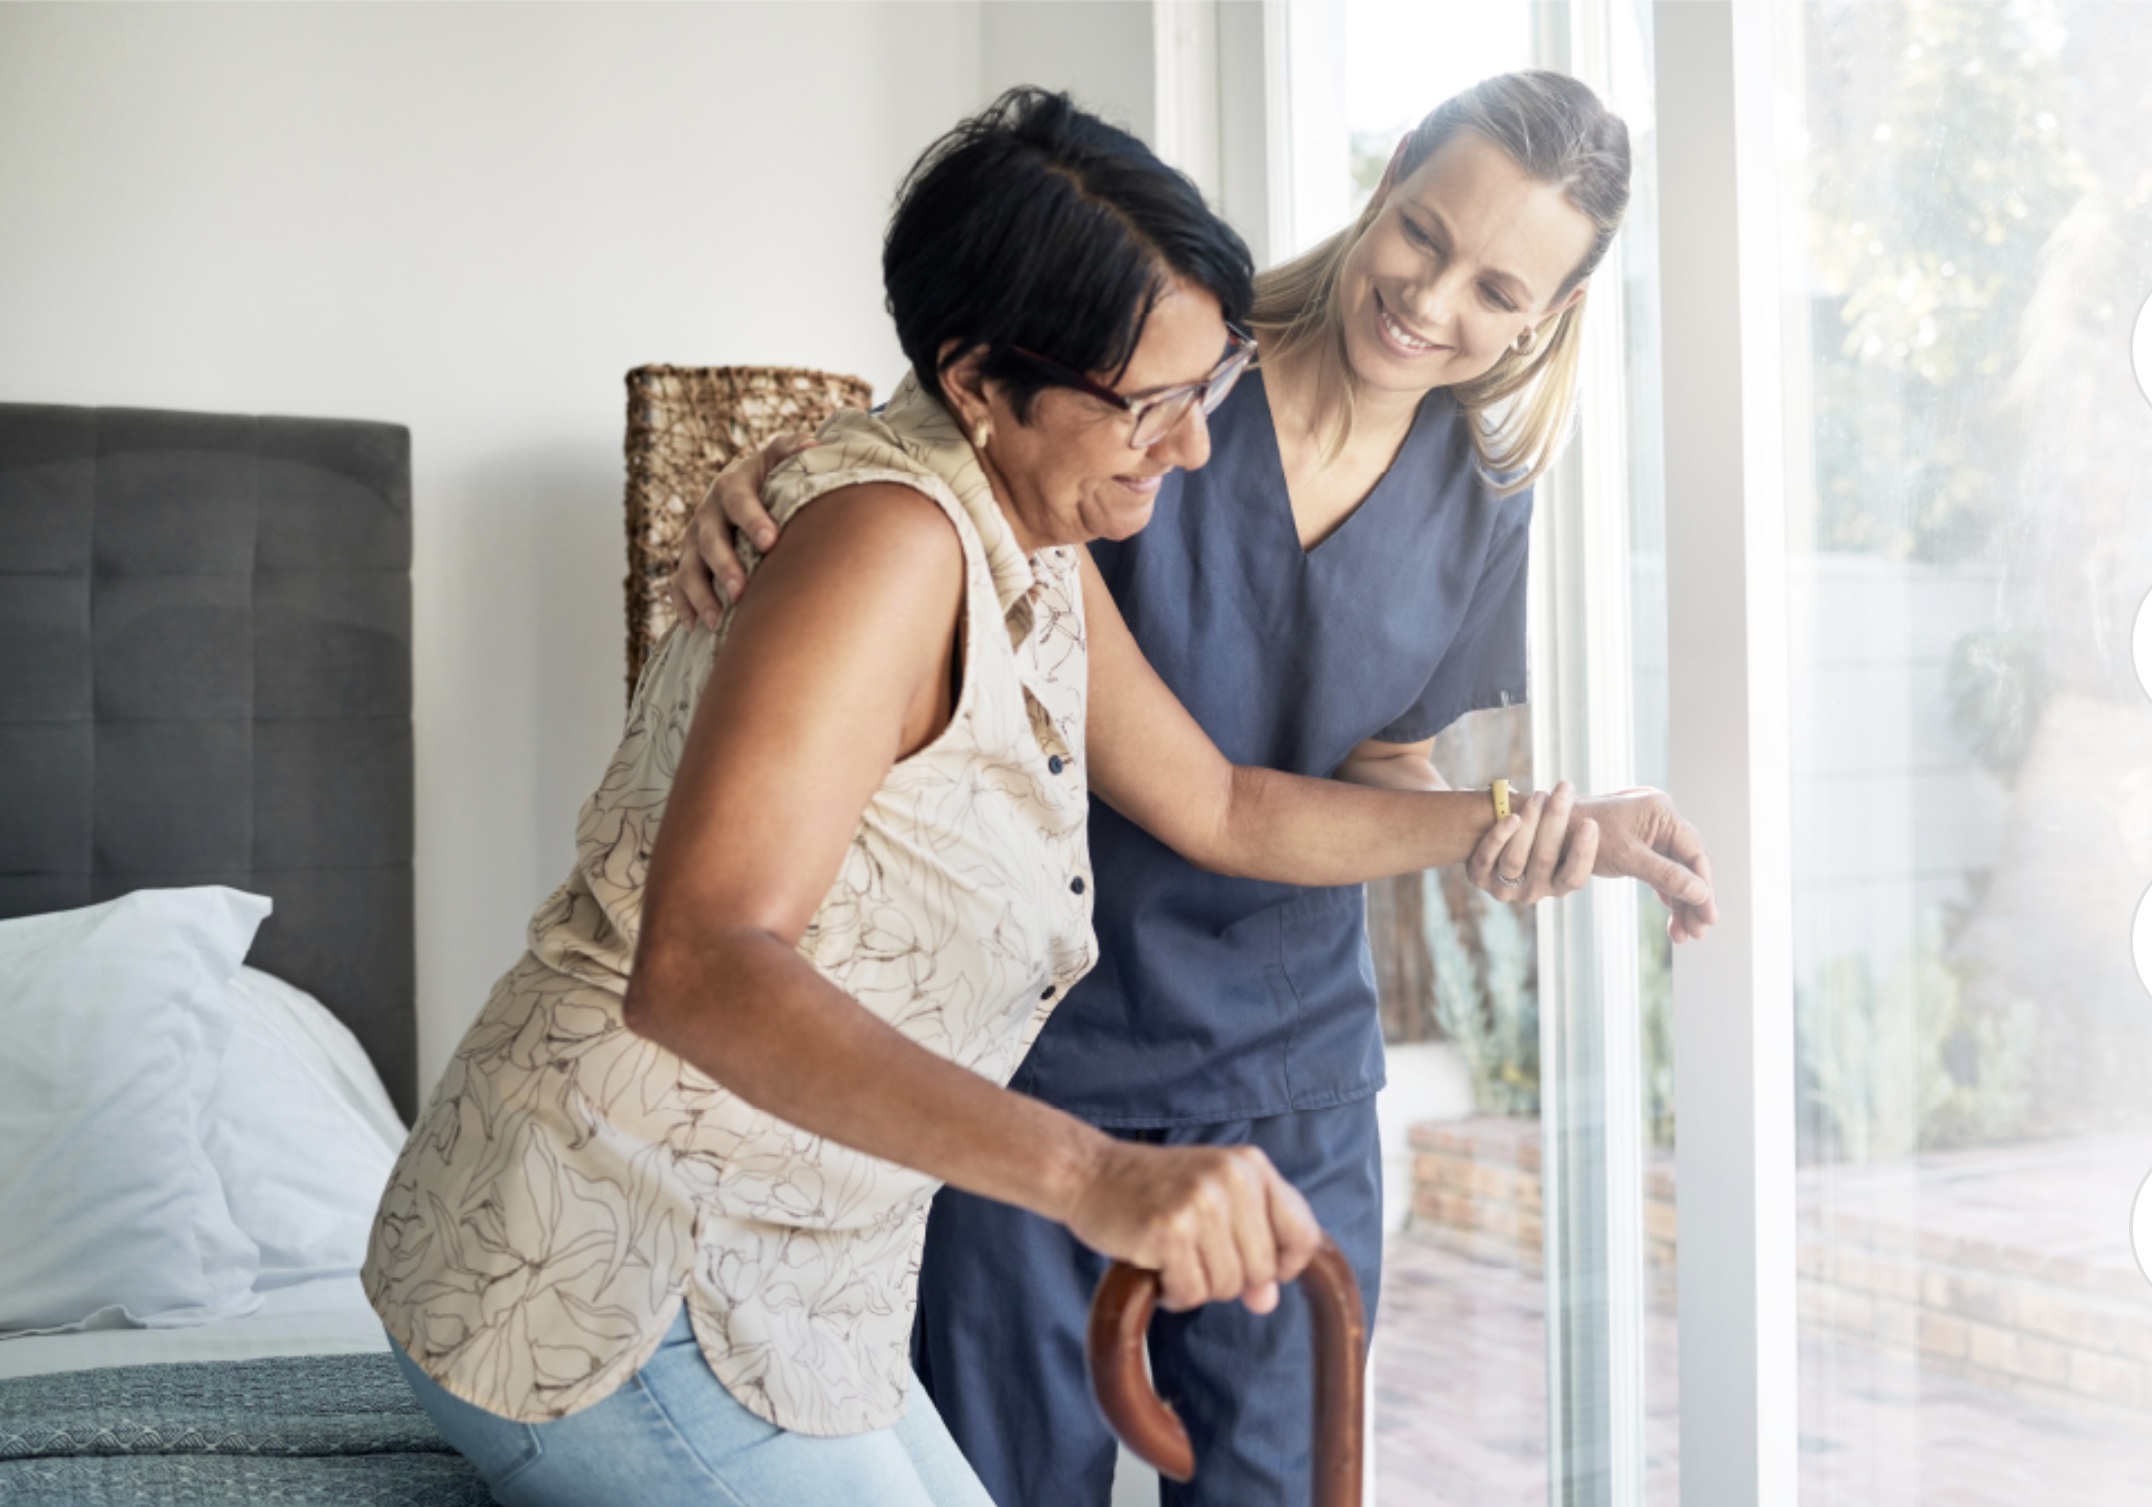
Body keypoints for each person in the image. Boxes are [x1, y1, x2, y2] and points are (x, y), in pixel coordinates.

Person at [364, 88, 1659, 1507]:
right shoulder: (899, 533)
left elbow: (1223, 804)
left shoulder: (1042, 538)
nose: (1193, 446)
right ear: (982, 386)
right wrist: (1095, 1174)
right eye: (1158, 406)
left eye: (1201, 390)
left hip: (832, 1246)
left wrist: (1532, 832)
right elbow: (700, 962)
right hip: (632, 1249)